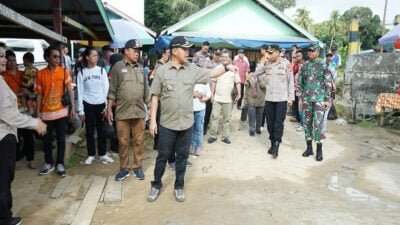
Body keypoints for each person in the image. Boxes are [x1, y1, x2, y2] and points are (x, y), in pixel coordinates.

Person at [147, 36, 237, 202]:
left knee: (182, 157)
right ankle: (156, 185)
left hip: (186, 123)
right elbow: (154, 96)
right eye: (185, 49)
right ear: (175, 51)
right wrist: (152, 121)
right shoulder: (161, 71)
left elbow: (211, 73)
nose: (188, 52)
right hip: (167, 123)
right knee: (162, 156)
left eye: (189, 49)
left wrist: (226, 67)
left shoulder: (192, 69)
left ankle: (179, 186)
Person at [0, 42, 47, 225]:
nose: (5, 60)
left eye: (5, 56)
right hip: (3, 137)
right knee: (3, 180)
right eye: (2, 57)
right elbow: (9, 115)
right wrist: (34, 123)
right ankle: (4, 219)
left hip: (6, 133)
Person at [106, 39, 150, 181]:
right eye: (134, 51)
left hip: (138, 112)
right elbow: (112, 90)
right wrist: (108, 109)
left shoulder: (141, 68)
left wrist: (150, 108)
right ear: (126, 51)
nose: (137, 54)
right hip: (122, 112)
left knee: (139, 141)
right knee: (123, 142)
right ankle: (124, 169)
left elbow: (146, 90)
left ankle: (137, 168)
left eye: (138, 51)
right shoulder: (117, 67)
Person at [36, 45, 76, 177]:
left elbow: (70, 90)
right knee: (47, 141)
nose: (57, 59)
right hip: (46, 114)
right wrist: (37, 114)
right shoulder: (40, 74)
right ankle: (48, 163)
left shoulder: (64, 72)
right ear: (47, 58)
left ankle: (60, 164)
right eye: (54, 56)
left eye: (59, 56)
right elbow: (39, 95)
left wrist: (72, 108)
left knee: (61, 139)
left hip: (61, 113)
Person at [77, 47, 113, 165]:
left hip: (101, 104)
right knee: (89, 131)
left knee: (102, 130)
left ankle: (102, 154)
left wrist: (107, 106)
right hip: (88, 104)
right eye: (93, 56)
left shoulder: (101, 71)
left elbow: (106, 89)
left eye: (97, 56)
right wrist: (81, 110)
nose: (96, 58)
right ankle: (91, 154)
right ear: (87, 57)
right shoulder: (82, 73)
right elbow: (80, 92)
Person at [298, 44, 333, 161]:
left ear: (318, 52)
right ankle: (309, 148)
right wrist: (300, 98)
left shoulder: (323, 65)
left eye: (313, 51)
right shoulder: (304, 66)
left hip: (319, 100)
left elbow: (328, 84)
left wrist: (328, 100)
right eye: (309, 51)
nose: (310, 53)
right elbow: (300, 83)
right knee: (307, 124)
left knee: (318, 125)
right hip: (307, 100)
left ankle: (319, 150)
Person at [264, 45, 294, 158]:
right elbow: (257, 72)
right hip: (269, 98)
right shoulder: (267, 64)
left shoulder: (286, 64)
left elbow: (291, 82)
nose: (269, 55)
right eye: (268, 53)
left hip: (281, 99)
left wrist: (291, 98)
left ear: (277, 52)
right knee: (270, 124)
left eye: (271, 53)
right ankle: (272, 143)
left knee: (278, 124)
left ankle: (276, 145)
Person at [208, 50, 241, 144]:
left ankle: (225, 136)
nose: (224, 58)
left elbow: (238, 82)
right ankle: (213, 135)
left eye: (226, 57)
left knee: (227, 119)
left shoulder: (234, 69)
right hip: (217, 97)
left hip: (228, 99)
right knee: (214, 117)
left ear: (230, 58)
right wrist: (212, 94)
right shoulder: (217, 68)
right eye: (223, 57)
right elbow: (213, 81)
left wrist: (239, 93)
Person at [203, 49, 221, 135]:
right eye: (216, 54)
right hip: (208, 89)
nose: (217, 56)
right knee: (207, 109)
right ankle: (205, 126)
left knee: (216, 111)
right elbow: (203, 73)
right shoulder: (207, 62)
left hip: (217, 89)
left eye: (218, 54)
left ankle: (215, 127)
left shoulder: (221, 65)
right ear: (212, 54)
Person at [191, 82, 211, 156]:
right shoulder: (189, 80)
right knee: (191, 129)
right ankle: (193, 145)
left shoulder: (204, 82)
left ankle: (198, 146)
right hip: (190, 110)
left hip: (200, 109)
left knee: (199, 129)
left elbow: (209, 94)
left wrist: (204, 99)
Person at [245, 69, 267, 136]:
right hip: (251, 99)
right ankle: (252, 129)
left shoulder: (266, 76)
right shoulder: (250, 75)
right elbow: (246, 86)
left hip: (260, 99)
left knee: (259, 116)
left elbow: (263, 86)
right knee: (251, 115)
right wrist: (246, 98)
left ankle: (258, 128)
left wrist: (259, 78)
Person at [292, 50, 306, 132]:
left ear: (302, 57)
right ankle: (301, 122)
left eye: (299, 56)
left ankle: (304, 125)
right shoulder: (297, 65)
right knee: (299, 107)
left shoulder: (305, 66)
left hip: (303, 90)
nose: (297, 57)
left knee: (302, 108)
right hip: (297, 89)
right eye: (296, 56)